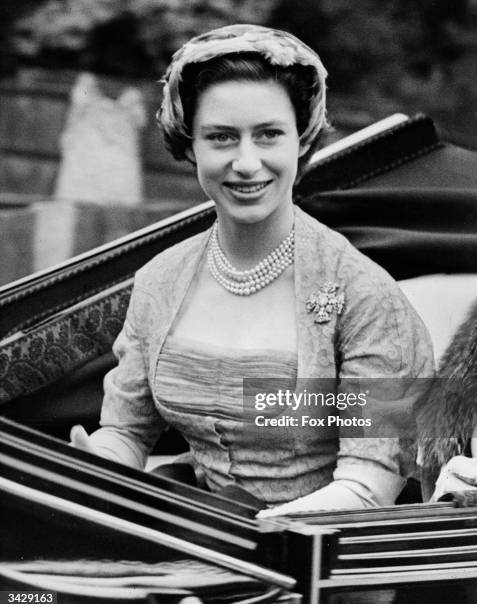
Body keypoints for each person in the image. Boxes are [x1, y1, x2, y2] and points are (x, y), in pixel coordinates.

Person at [71, 24, 434, 516]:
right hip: (194, 544)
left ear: (301, 141)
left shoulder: (364, 294)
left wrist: (256, 535)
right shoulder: (160, 279)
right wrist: (99, 461)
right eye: (221, 137)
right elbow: (127, 433)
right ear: (190, 145)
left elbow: (368, 484)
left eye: (268, 135)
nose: (246, 162)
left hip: (322, 562)